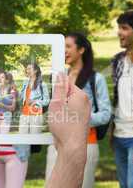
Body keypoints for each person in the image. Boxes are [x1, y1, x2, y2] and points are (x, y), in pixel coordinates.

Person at [45, 32, 111, 188]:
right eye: (62, 47)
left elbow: (106, 114)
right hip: (56, 145)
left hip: (86, 144)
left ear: (81, 50)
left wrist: (79, 120)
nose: (64, 51)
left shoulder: (96, 79)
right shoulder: (59, 79)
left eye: (68, 46)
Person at [111, 10, 133, 188]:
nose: (119, 33)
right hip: (118, 137)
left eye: (124, 28)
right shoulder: (117, 62)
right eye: (119, 28)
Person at [0, 71, 29, 188]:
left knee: (4, 137)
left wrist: (2, 105)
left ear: (7, 80)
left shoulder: (12, 91)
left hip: (5, 117)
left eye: (2, 77)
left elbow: (12, 108)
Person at [19, 63, 50, 134]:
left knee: (34, 141)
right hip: (24, 114)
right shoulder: (25, 83)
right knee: (22, 139)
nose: (27, 71)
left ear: (35, 71)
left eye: (30, 69)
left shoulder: (42, 84)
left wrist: (34, 101)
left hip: (35, 114)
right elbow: (22, 97)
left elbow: (47, 101)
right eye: (27, 69)